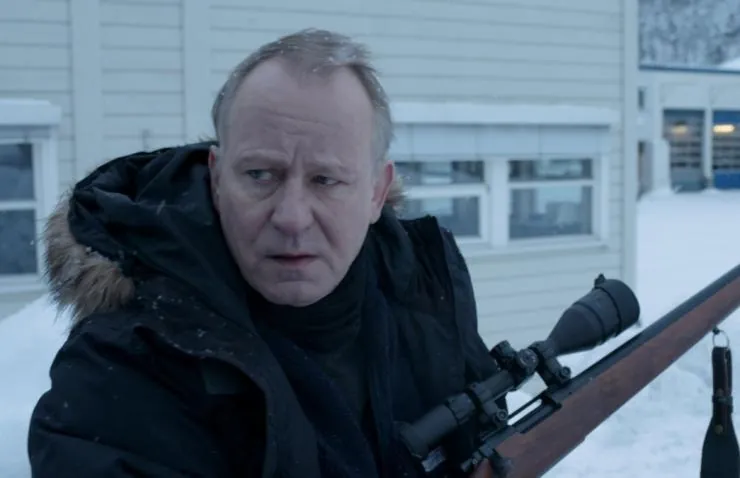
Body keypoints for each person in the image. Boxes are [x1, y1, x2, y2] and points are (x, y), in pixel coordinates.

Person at [27, 29, 503, 478]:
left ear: (377, 193)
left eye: (326, 180)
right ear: (217, 179)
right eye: (260, 175)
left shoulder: (423, 291)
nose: (291, 217)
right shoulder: (122, 370)